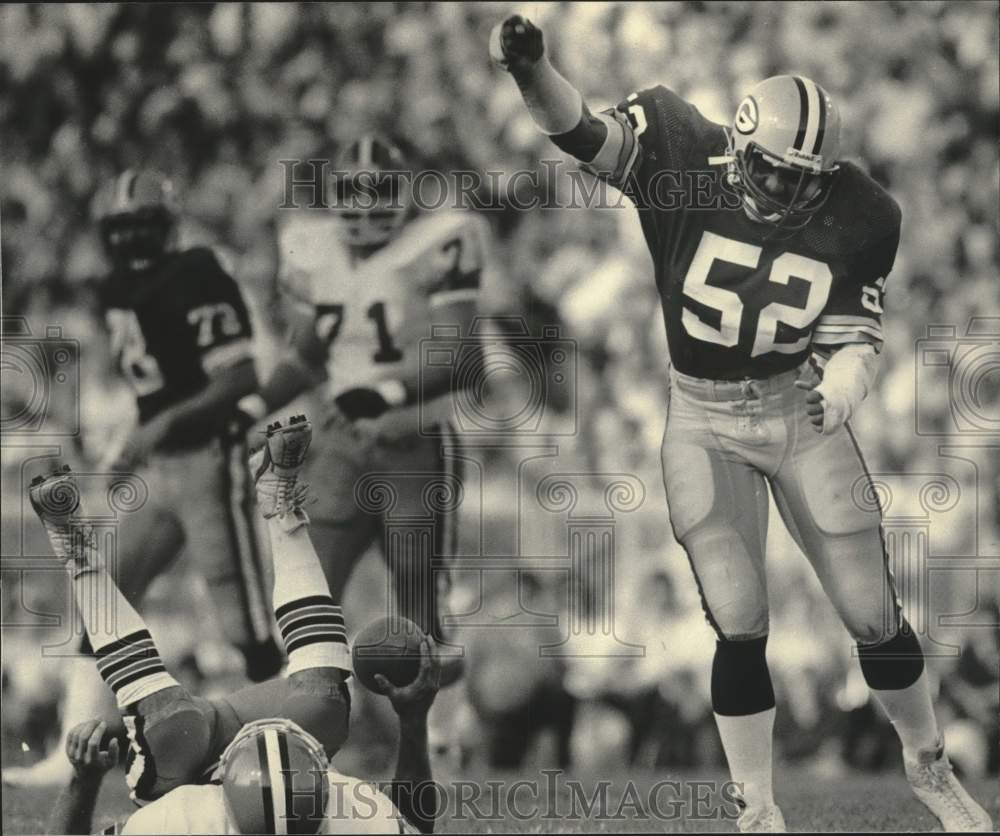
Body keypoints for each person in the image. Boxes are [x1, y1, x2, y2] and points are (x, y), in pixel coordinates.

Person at [490, 15, 993, 833]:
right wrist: (530, 69)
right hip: (703, 415)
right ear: (740, 147)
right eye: (776, 172)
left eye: (808, 180)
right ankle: (756, 809)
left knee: (873, 615)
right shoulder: (679, 148)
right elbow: (578, 131)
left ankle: (927, 764)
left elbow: (857, 338)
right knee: (739, 619)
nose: (790, 193)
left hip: (799, 409)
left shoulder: (864, 215)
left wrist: (847, 389)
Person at [4, 169, 281, 789]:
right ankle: (68, 755)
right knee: (105, 594)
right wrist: (135, 433)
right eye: (120, 228)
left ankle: (290, 745)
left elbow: (239, 380)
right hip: (162, 466)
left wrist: (158, 426)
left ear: (166, 226)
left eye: (141, 225)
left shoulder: (197, 273)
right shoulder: (116, 289)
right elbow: (158, 381)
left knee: (245, 621)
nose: (130, 239)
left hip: (211, 458)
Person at [32, 416, 379, 827]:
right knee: (323, 703)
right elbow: (416, 820)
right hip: (289, 773)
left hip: (198, 773)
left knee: (170, 725)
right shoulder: (354, 818)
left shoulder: (180, 822)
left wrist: (84, 783)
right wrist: (413, 721)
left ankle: (79, 555)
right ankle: (279, 504)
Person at [237, 136, 487, 682]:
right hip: (340, 442)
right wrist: (250, 407)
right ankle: (298, 745)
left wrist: (384, 393)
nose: (368, 204)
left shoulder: (441, 240)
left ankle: (434, 752)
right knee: (309, 596)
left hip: (412, 439)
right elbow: (305, 355)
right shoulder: (311, 246)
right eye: (354, 191)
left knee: (419, 606)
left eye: (381, 191)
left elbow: (465, 359)